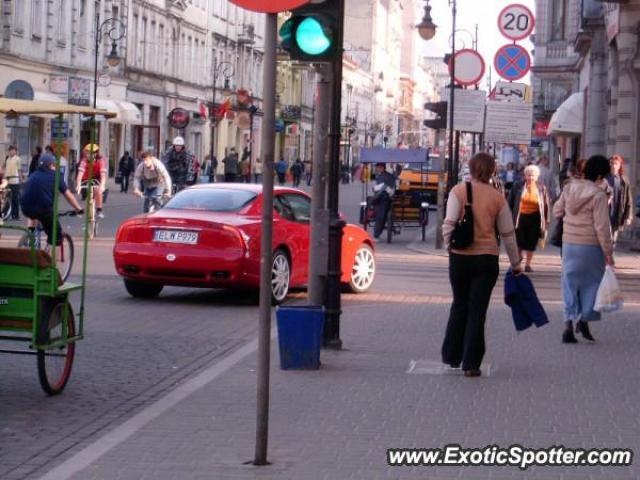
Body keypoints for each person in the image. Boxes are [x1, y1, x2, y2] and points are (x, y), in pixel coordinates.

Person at [442, 153, 523, 377]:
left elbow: (448, 224)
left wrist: (450, 246)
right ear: (492, 171)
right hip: (487, 259)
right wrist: (516, 263)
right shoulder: (498, 197)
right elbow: (508, 234)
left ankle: (452, 355)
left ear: (470, 167)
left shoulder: (458, 191)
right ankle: (471, 363)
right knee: (478, 311)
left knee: (460, 304)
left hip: (460, 258)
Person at [553, 155, 614, 344]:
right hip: (591, 247)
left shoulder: (569, 188)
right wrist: (608, 253)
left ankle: (568, 326)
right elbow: (602, 227)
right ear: (600, 176)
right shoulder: (598, 195)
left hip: (569, 245)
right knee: (592, 285)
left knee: (569, 284)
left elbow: (556, 211)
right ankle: (584, 319)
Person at [20, 153, 83, 247]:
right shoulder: (56, 175)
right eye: (54, 165)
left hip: (25, 207)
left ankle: (31, 235)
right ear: (50, 165)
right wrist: (78, 208)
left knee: (33, 214)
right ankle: (51, 260)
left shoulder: (33, 175)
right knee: (56, 236)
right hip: (44, 209)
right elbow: (68, 196)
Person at [508, 165, 551, 272]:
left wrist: (546, 220)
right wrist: (508, 216)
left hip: (535, 217)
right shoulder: (517, 186)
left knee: (531, 242)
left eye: (533, 175)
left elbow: (546, 205)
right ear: (525, 176)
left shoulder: (541, 187)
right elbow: (510, 201)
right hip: (520, 217)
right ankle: (518, 261)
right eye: (528, 175)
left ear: (537, 176)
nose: (531, 177)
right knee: (519, 241)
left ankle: (528, 264)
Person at [606, 155, 633, 244]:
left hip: (618, 213)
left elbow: (629, 200)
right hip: (605, 213)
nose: (613, 166)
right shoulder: (604, 179)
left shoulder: (624, 181)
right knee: (607, 237)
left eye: (616, 164)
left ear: (620, 165)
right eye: (612, 163)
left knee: (613, 239)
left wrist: (628, 216)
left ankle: (609, 256)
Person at [76, 144, 108, 219]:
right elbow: (80, 174)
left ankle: (99, 210)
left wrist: (102, 186)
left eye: (92, 153)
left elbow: (103, 175)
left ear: (96, 153)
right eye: (87, 153)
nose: (89, 155)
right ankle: (85, 209)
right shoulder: (83, 161)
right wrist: (78, 185)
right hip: (85, 178)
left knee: (98, 190)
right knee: (85, 193)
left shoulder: (101, 161)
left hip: (97, 178)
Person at [371, 162, 395, 239]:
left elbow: (387, 188)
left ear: (382, 167)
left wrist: (375, 188)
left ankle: (376, 233)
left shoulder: (385, 176)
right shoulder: (382, 175)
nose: (377, 168)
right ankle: (377, 232)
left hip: (383, 198)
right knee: (380, 215)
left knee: (380, 216)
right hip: (382, 198)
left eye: (378, 167)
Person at [3, 145, 24, 220]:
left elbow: (19, 170)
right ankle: (8, 214)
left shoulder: (18, 159)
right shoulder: (8, 159)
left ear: (15, 151)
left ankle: (16, 215)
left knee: (15, 198)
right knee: (7, 198)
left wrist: (21, 180)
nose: (11, 151)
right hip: (8, 181)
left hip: (15, 181)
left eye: (12, 150)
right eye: (10, 150)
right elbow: (5, 169)